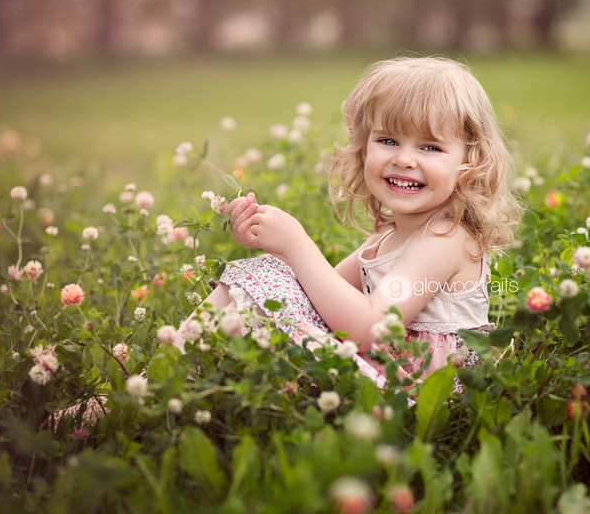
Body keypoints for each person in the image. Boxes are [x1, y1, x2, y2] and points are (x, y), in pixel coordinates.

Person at [187, 56, 523, 387]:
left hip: (418, 390)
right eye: (388, 141)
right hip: (384, 368)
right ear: (364, 148)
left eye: (430, 147)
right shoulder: (390, 235)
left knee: (273, 274)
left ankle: (179, 367)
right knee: (268, 271)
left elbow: (369, 328)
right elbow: (319, 295)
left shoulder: (445, 238)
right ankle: (178, 358)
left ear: (471, 162)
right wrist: (272, 245)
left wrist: (296, 243)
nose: (404, 159)